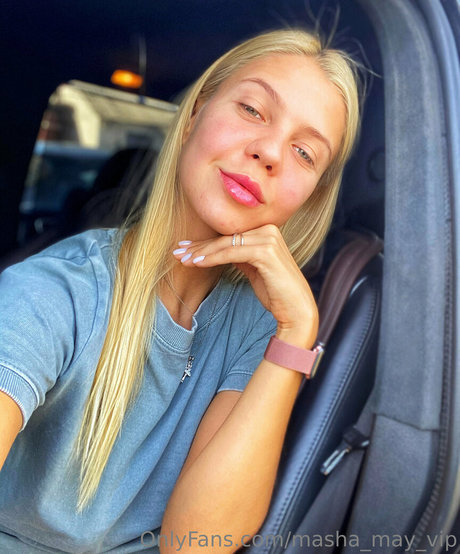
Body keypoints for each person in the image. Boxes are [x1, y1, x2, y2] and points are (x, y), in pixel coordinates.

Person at [0, 28, 361, 553]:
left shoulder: (261, 329)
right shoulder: (55, 291)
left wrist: (297, 332)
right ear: (194, 114)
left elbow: (195, 544)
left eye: (304, 152)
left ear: (309, 197)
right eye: (253, 110)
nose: (268, 152)